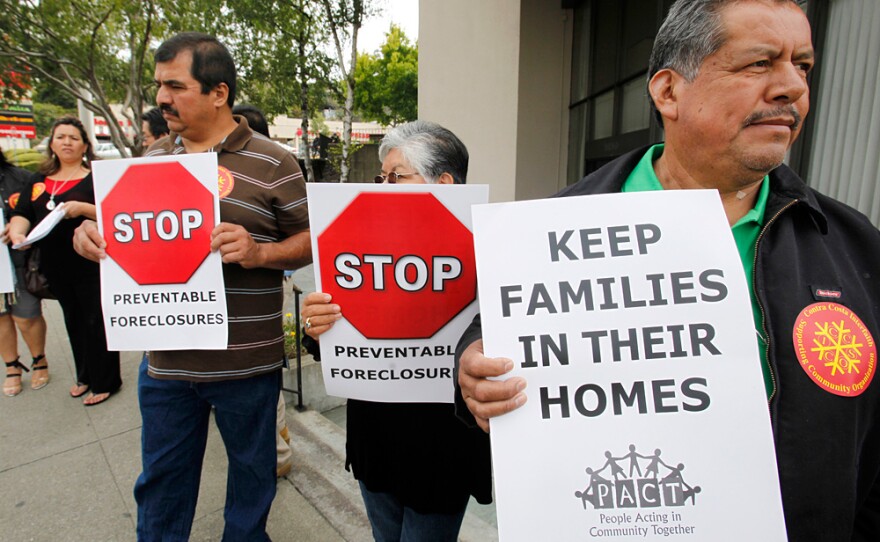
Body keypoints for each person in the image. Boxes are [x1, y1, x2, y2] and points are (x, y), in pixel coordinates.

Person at [456, 1, 880, 540]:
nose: (791, 87)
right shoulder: (552, 230)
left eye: (802, 65)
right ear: (668, 92)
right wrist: (471, 371)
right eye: (758, 64)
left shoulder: (855, 247)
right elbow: (486, 340)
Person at [72, 32, 311, 541]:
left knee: (251, 480)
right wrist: (92, 234)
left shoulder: (275, 162)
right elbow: (123, 237)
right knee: (161, 483)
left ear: (218, 92)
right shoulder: (151, 161)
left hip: (246, 365)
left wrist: (261, 252)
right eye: (160, 85)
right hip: (166, 366)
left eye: (175, 86)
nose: (160, 98)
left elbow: (312, 240)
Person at [301, 120, 492, 542]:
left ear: (442, 184)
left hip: (443, 451)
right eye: (380, 177)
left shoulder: (491, 251)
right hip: (376, 441)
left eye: (395, 177)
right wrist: (316, 327)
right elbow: (334, 344)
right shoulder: (357, 246)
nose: (381, 186)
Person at [8, 117, 121, 406]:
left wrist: (83, 208)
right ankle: (84, 375)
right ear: (52, 144)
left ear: (85, 144)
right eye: (61, 137)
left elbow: (116, 212)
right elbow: (22, 212)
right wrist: (18, 231)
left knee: (96, 318)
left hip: (91, 261)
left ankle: (106, 380)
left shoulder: (95, 177)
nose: (67, 142)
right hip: (54, 263)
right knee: (72, 317)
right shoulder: (38, 180)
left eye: (73, 137)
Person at [232, 101, 295, 479]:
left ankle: (278, 450)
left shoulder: (274, 169)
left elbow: (301, 241)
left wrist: (260, 253)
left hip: (262, 312)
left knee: (266, 385)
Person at [0, 149, 49, 397]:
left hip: (19, 261)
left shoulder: (20, 178)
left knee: (26, 316)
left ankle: (39, 359)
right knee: (0, 318)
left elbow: (40, 210)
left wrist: (16, 225)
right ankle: (12, 366)